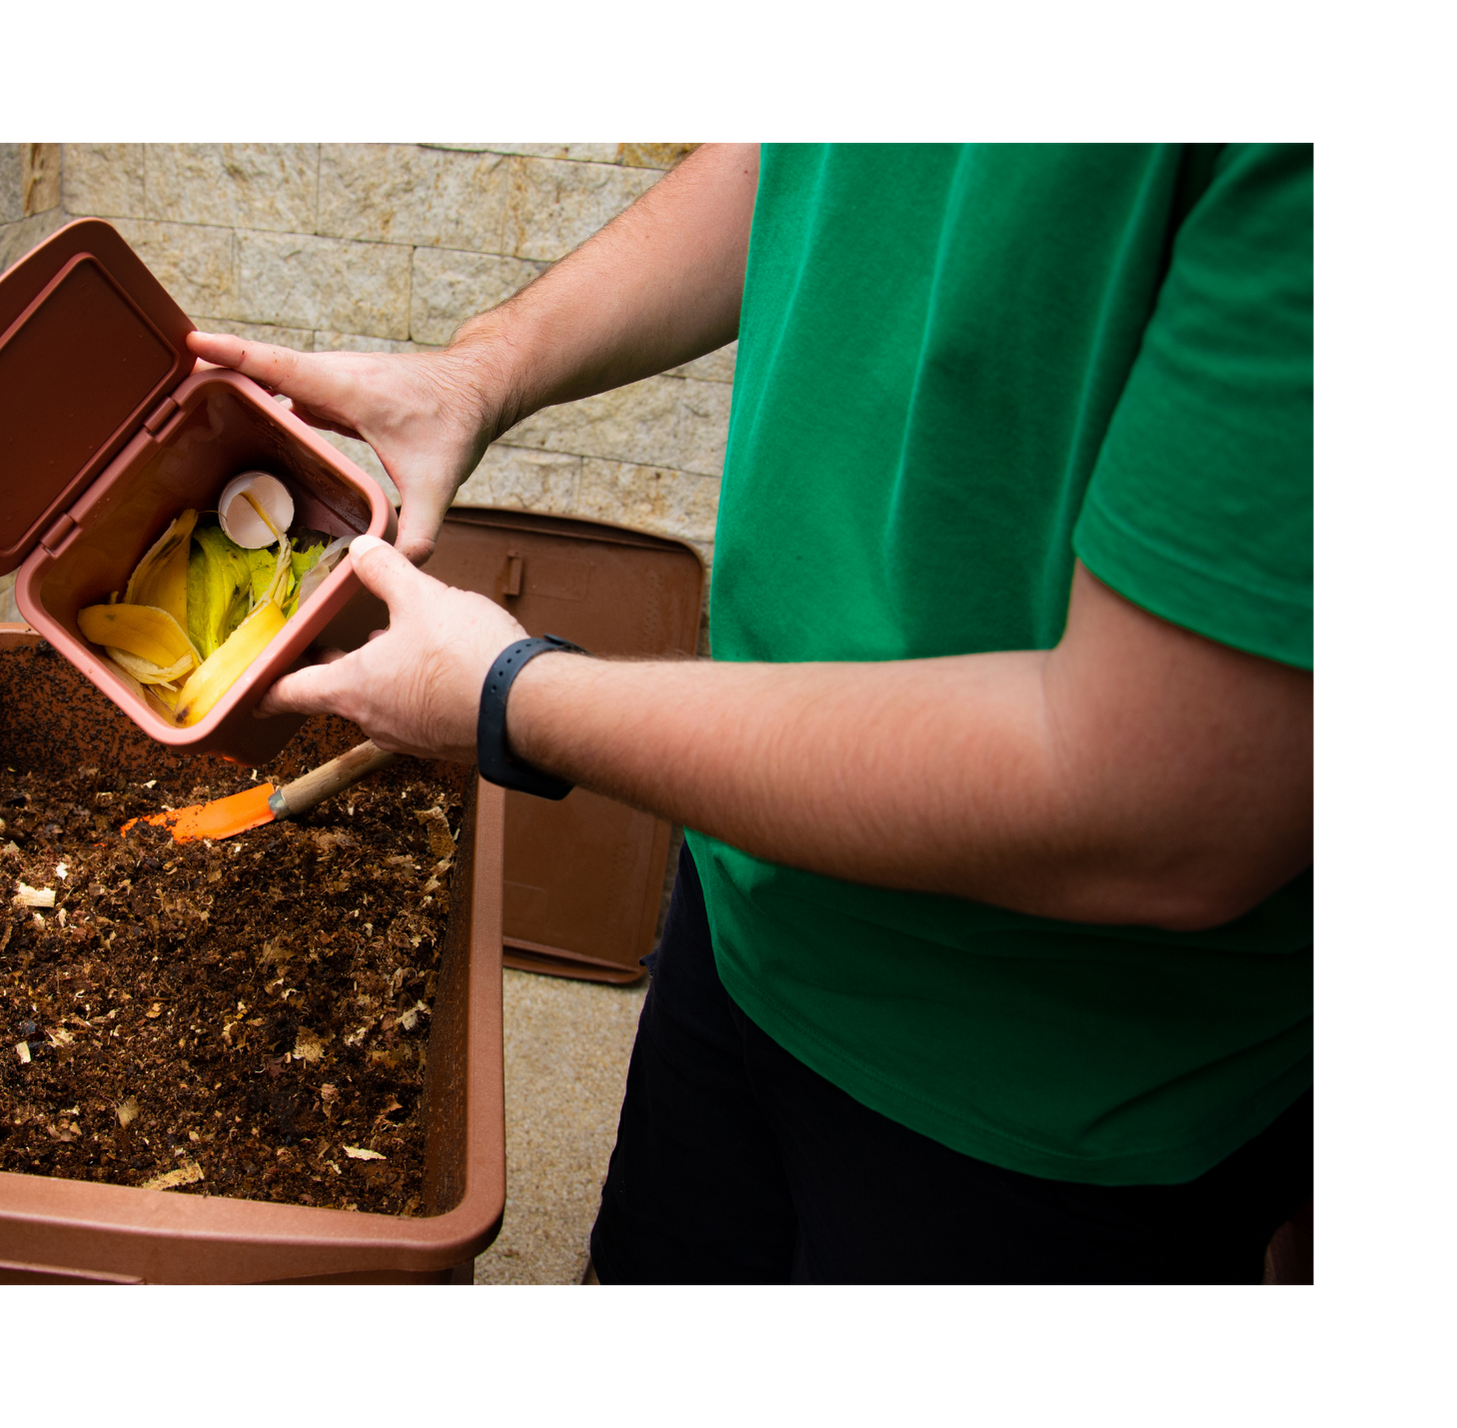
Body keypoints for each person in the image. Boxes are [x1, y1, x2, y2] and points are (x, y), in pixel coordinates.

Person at [186, 140, 1316, 1286]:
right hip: (747, 908)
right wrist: (480, 368)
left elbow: (1155, 807)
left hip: (1050, 1092)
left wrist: (512, 694)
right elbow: (797, 166)